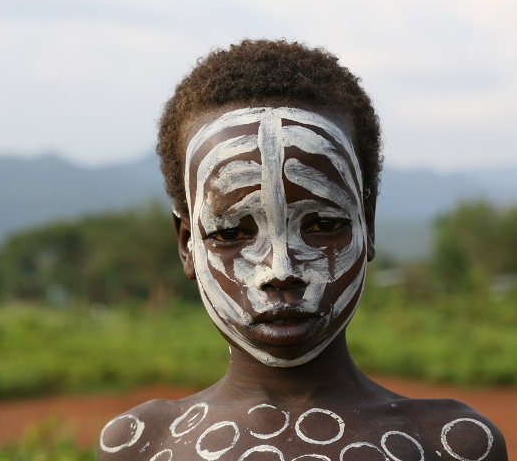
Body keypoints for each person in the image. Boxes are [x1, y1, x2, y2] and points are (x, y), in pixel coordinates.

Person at [98, 39, 507, 461]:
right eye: (231, 232)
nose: (280, 270)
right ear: (187, 244)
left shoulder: (453, 444)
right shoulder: (141, 444)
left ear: (367, 224)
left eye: (323, 225)